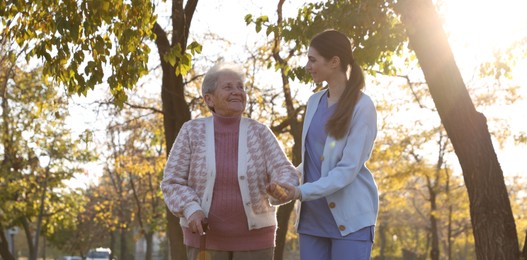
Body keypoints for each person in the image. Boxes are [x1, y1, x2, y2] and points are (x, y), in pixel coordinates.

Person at [161, 62, 299, 260]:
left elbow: (285, 169)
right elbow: (172, 181)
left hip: (256, 243)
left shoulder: (260, 132)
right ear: (209, 99)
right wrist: (191, 209)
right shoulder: (192, 131)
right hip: (205, 241)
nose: (237, 92)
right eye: (228, 87)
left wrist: (281, 187)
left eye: (240, 87)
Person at [267, 29, 379, 260]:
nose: (308, 66)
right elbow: (314, 159)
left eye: (312, 59)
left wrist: (300, 191)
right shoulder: (314, 101)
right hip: (312, 220)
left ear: (334, 62)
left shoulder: (363, 106)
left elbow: (347, 170)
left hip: (350, 221)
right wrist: (287, 180)